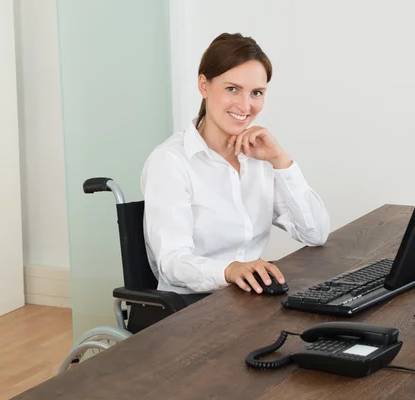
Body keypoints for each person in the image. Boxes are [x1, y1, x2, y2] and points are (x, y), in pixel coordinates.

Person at [141, 33, 330, 301]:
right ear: (204, 85)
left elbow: (315, 234)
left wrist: (280, 160)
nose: (245, 105)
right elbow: (172, 263)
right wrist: (229, 271)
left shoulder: (259, 156)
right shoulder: (170, 162)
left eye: (256, 93)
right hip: (189, 311)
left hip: (249, 301)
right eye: (232, 89)